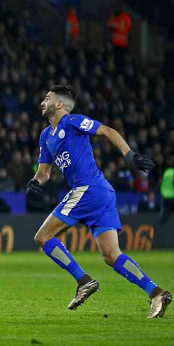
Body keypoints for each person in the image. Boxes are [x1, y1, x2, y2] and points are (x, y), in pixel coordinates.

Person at [26, 84, 171, 318]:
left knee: (42, 237)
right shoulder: (46, 136)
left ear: (60, 103)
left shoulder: (72, 122)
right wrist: (35, 183)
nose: (42, 102)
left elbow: (107, 131)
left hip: (88, 189)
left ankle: (84, 281)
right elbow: (43, 173)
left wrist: (129, 155)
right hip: (101, 192)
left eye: (47, 98)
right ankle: (156, 292)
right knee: (111, 256)